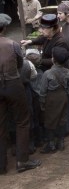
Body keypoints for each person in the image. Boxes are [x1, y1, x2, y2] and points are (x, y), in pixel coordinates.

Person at [0, 13, 41, 174]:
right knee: (22, 121)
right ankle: (22, 161)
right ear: (4, 27)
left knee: (0, 125)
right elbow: (20, 64)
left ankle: (1, 165)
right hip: (13, 84)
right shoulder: (12, 44)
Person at [38, 46, 69, 154]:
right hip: (63, 97)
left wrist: (42, 104)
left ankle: (51, 144)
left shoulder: (47, 74)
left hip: (51, 100)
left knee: (49, 121)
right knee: (62, 120)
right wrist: (65, 93)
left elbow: (42, 91)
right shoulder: (68, 72)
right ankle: (61, 141)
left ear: (53, 59)